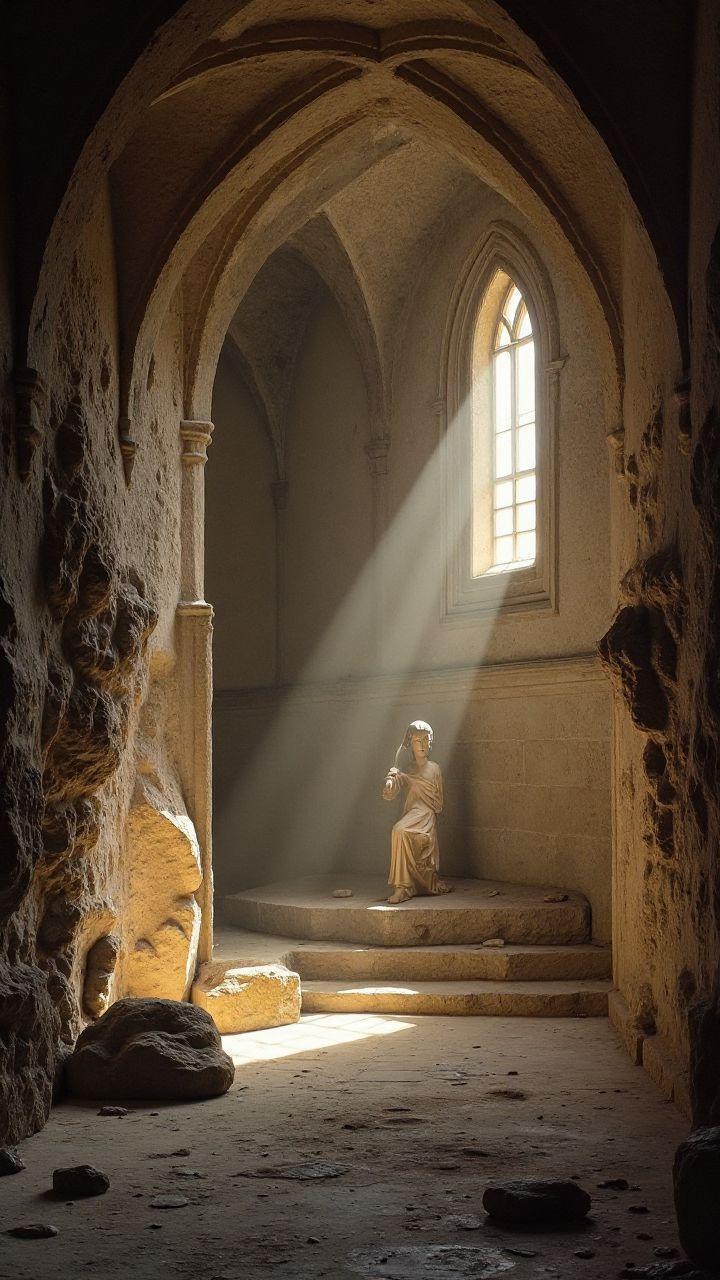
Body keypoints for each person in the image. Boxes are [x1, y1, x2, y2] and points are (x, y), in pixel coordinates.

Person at [382, 720, 452, 904]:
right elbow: (390, 795)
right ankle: (404, 887)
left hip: (425, 817)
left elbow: (438, 804)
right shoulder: (407, 770)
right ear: (410, 745)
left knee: (400, 831)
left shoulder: (434, 768)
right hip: (411, 814)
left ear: (431, 742)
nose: (421, 745)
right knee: (399, 831)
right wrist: (391, 781)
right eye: (416, 741)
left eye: (425, 740)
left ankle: (406, 886)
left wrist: (411, 781)